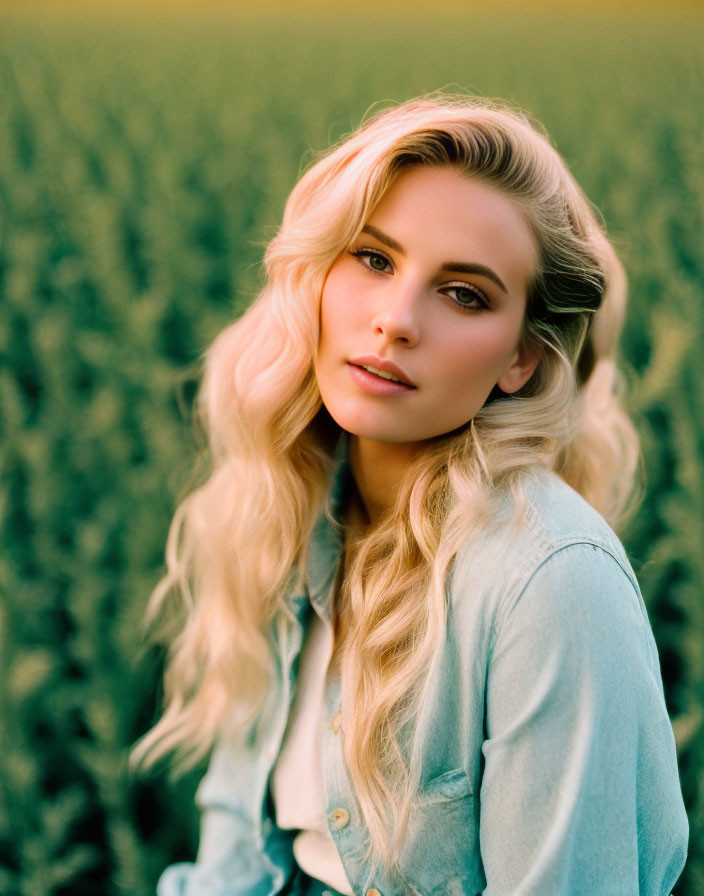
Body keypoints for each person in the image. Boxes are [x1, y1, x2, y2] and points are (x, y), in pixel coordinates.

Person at [132, 94, 689, 896]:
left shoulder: (554, 582)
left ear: (520, 361)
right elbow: (232, 859)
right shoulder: (287, 513)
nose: (395, 321)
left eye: (464, 294)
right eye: (373, 259)